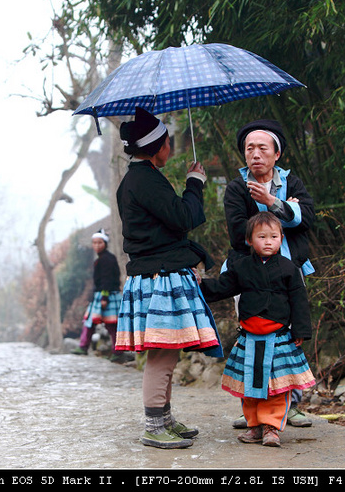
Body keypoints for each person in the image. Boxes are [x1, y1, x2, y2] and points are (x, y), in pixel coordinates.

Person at [114, 107, 222, 449]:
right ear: (159, 146)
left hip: (156, 274)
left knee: (168, 352)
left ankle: (164, 420)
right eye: (169, 142)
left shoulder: (140, 178)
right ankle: (153, 426)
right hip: (157, 277)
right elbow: (182, 217)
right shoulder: (143, 180)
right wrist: (194, 183)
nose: (171, 148)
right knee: (161, 353)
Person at [223, 119, 315, 428]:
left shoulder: (293, 183)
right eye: (249, 149)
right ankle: (250, 407)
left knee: (288, 342)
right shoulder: (237, 187)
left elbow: (308, 219)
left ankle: (293, 405)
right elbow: (238, 233)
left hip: (288, 273)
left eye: (263, 148)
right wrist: (281, 213)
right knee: (251, 338)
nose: (255, 154)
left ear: (277, 154)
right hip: (248, 275)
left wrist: (271, 202)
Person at [200, 212, 316, 447]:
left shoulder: (289, 268)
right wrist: (199, 284)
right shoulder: (240, 266)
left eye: (274, 236)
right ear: (249, 240)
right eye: (261, 236)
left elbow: (299, 301)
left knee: (276, 386)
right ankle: (254, 426)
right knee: (249, 384)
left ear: (281, 238)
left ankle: (271, 428)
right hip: (249, 337)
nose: (268, 241)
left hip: (279, 337)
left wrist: (300, 331)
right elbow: (222, 287)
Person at [71, 229, 123, 360]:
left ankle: (117, 352)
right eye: (94, 243)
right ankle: (84, 346)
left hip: (107, 295)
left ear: (105, 243)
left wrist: (104, 297)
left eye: (99, 242)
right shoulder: (101, 259)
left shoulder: (107, 259)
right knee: (91, 322)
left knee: (111, 324)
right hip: (101, 295)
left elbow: (107, 279)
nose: (97, 245)